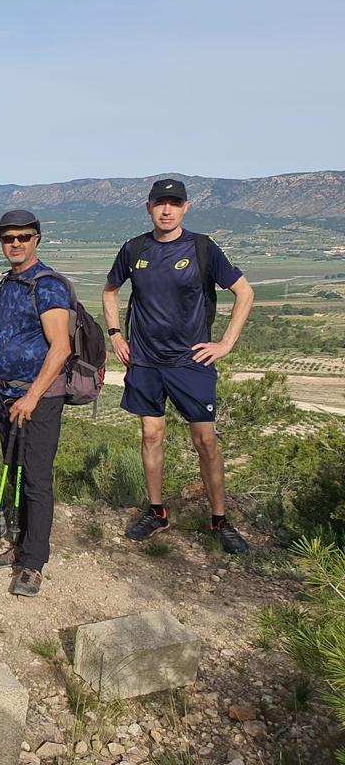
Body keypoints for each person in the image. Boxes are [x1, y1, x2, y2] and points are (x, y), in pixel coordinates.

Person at [103, 178, 254, 554]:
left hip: (191, 362)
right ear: (148, 207)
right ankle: (157, 512)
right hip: (146, 361)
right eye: (160, 203)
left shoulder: (202, 248)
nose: (166, 210)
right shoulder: (134, 249)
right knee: (151, 436)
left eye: (174, 203)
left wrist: (226, 343)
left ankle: (219, 519)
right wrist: (116, 335)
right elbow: (110, 291)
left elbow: (245, 292)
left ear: (186, 207)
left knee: (205, 441)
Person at [0, 210, 71, 598]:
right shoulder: (9, 283)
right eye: (8, 238)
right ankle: (20, 546)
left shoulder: (47, 285)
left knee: (35, 478)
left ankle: (33, 563)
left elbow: (61, 347)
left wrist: (32, 396)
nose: (15, 243)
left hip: (39, 399)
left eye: (23, 237)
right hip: (6, 395)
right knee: (15, 472)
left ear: (37, 239)